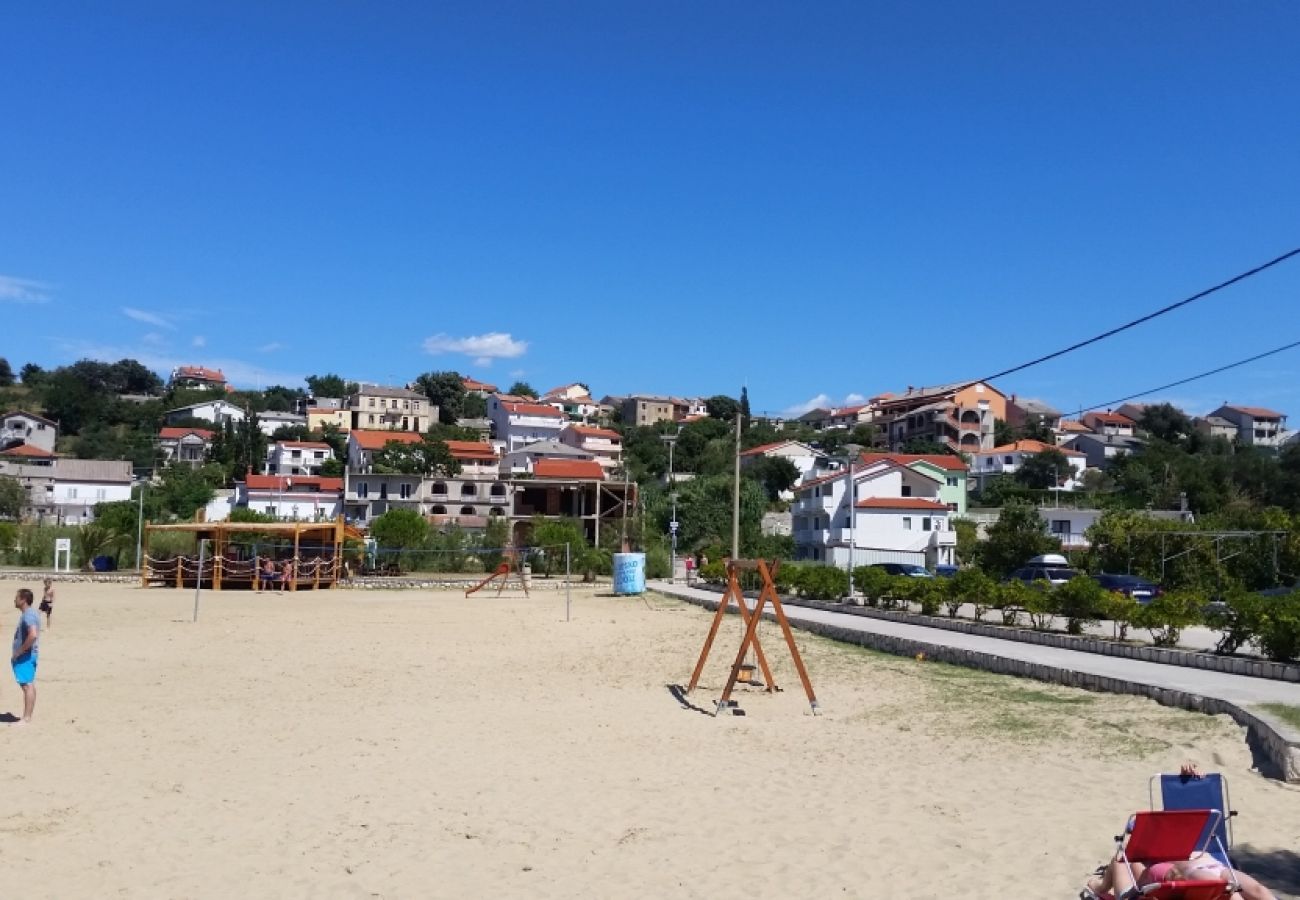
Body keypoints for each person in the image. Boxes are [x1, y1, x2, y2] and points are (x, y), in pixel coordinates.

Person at [1083, 764, 1277, 900]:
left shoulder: (1193, 836)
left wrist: (1189, 771)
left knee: (1256, 890)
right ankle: (1098, 886)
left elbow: (1193, 809)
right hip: (1197, 877)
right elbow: (1142, 881)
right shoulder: (1151, 858)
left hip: (1215, 867)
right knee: (1227, 891)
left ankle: (1098, 885)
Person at [12, 588, 40, 724]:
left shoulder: (28, 615)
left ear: (23, 600)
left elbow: (33, 634)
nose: (14, 600)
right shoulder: (30, 614)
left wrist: (19, 651)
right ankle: (27, 716)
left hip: (25, 656)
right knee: (29, 685)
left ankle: (26, 718)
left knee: (27, 686)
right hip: (29, 655)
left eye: (17, 597)